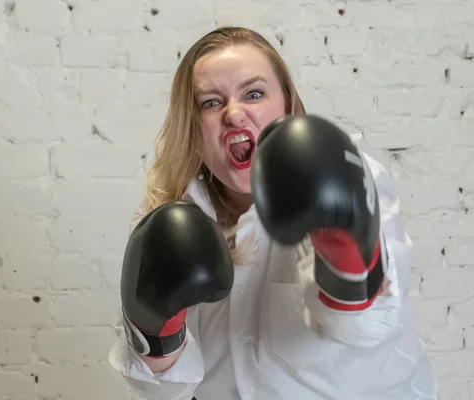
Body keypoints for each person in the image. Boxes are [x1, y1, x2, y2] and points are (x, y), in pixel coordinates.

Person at [108, 26, 438, 400]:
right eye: (211, 103)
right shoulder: (170, 218)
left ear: (287, 105)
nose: (234, 114)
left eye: (254, 93)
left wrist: (342, 247)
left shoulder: (346, 176)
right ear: (193, 128)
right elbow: (167, 392)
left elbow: (365, 328)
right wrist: (156, 328)